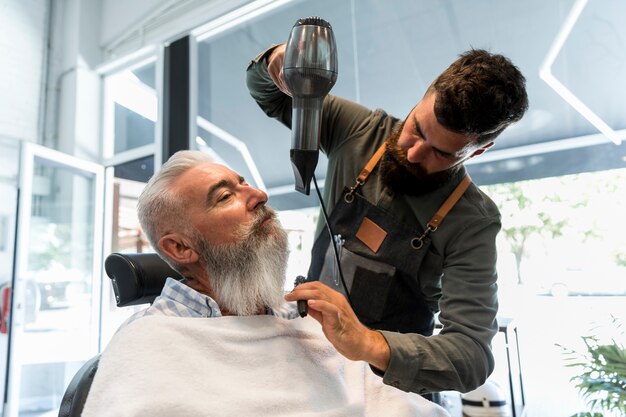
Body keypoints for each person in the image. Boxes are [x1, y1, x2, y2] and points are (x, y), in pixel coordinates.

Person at [247, 43, 529, 395]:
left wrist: (366, 343)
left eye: (441, 153)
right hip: (311, 362)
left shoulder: (472, 221)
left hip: (393, 395)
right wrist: (277, 61)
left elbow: (472, 356)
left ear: (479, 150)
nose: (413, 152)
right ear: (421, 98)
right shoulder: (359, 132)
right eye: (418, 128)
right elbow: (269, 95)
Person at [81, 150, 450, 417]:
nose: (258, 195)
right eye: (225, 196)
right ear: (180, 247)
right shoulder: (148, 343)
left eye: (244, 183)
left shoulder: (305, 318)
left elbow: (383, 403)